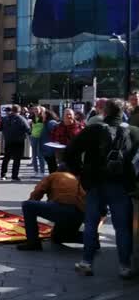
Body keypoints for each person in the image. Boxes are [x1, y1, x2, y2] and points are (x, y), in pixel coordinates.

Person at [65, 99, 139, 279]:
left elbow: (70, 152)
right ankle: (124, 266)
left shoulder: (93, 130)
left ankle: (87, 262)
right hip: (120, 185)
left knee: (91, 224)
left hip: (95, 183)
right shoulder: (134, 132)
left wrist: (79, 172)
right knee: (122, 227)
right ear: (124, 112)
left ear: (105, 112)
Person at [17, 172, 87, 251]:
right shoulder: (74, 179)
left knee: (27, 205)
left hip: (64, 209)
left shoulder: (53, 176)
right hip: (79, 214)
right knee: (57, 237)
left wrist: (30, 209)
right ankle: (91, 239)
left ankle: (33, 243)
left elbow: (38, 192)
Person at [0, 105, 30, 182]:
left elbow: (1, 128)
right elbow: (28, 129)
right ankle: (14, 175)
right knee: (17, 159)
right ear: (19, 111)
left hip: (8, 140)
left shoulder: (5, 118)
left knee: (6, 158)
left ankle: (3, 174)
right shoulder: (21, 119)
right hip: (18, 141)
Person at [30, 106, 46, 178]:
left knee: (40, 155)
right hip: (33, 137)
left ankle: (42, 171)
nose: (36, 111)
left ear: (40, 110)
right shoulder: (32, 118)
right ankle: (35, 171)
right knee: (34, 155)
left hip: (40, 138)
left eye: (37, 109)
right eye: (35, 109)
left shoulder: (43, 118)